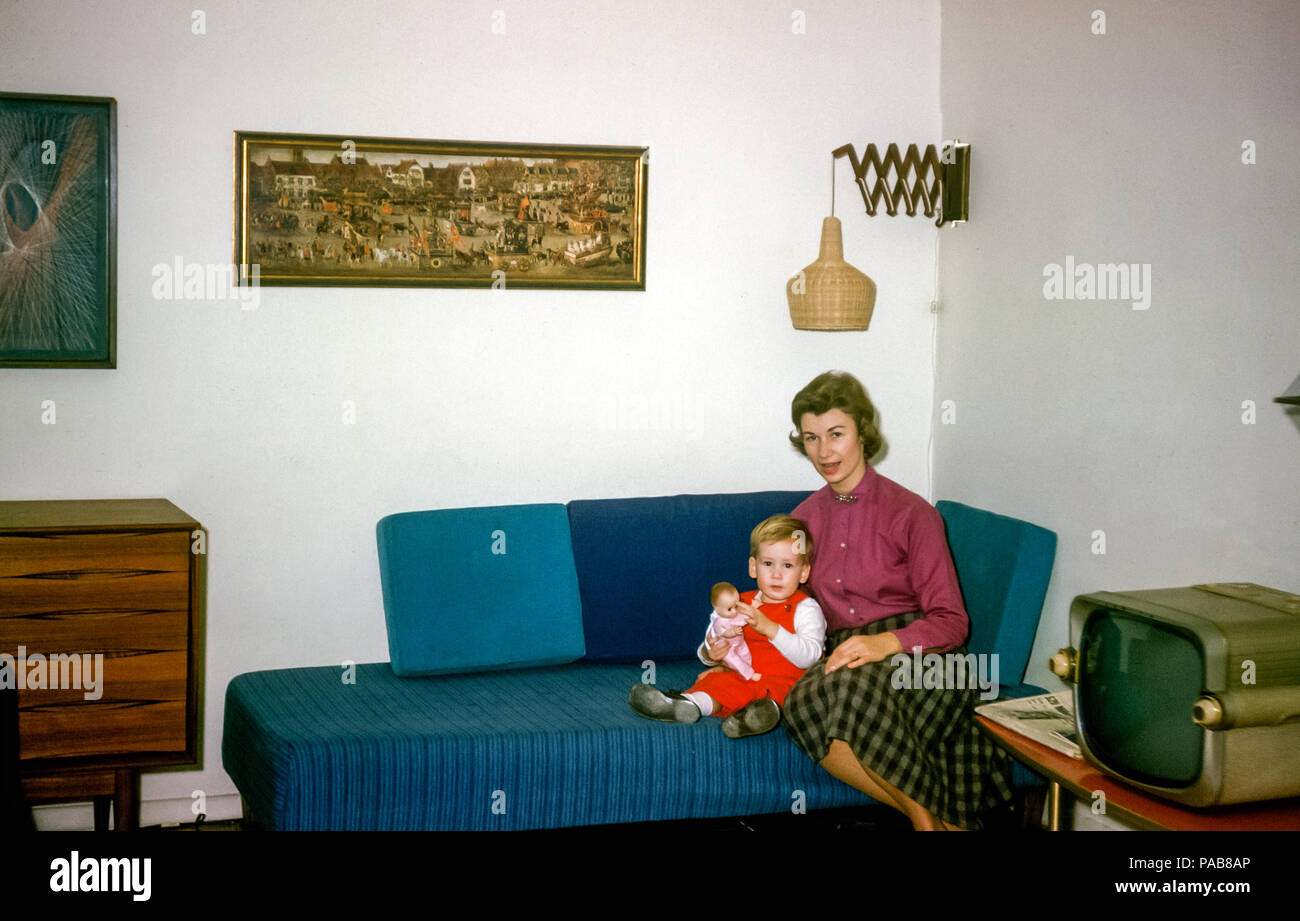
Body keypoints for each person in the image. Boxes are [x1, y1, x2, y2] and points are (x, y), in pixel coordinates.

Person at [781, 370, 1013, 830]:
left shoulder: (913, 514)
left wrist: (885, 644)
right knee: (801, 703)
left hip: (928, 659)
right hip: (847, 656)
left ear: (862, 432)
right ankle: (932, 824)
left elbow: (952, 622)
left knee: (845, 690)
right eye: (811, 438)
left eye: (836, 434)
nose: (824, 451)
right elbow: (791, 608)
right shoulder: (802, 520)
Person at [627, 516, 826, 739]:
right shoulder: (738, 603)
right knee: (717, 682)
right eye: (768, 564)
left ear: (804, 573)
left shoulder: (806, 608)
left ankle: (754, 717)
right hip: (744, 677)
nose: (776, 574)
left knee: (783, 697)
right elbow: (714, 636)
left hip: (787, 682)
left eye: (788, 565)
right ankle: (686, 705)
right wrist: (711, 653)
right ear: (753, 567)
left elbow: (810, 657)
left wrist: (769, 628)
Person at [706, 582, 759, 681]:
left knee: (745, 655)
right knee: (736, 661)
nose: (735, 611)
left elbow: (744, 618)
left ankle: (747, 670)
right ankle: (749, 674)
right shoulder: (719, 621)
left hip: (739, 643)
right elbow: (724, 633)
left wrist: (753, 607)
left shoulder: (731, 614)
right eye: (730, 609)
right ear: (717, 609)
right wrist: (733, 632)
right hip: (727, 648)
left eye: (736, 606)